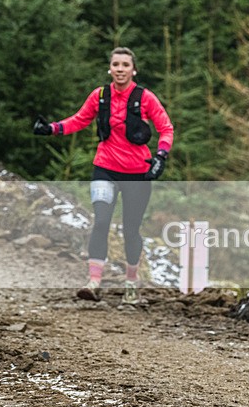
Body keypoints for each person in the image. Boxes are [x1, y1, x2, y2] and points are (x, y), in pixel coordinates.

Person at [33, 47, 173, 304]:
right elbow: (79, 120)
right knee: (101, 221)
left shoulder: (146, 98)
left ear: (134, 70)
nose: (120, 69)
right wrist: (52, 129)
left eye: (125, 65)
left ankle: (131, 283)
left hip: (137, 173)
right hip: (105, 169)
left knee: (131, 230)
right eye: (116, 64)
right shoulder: (99, 95)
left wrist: (161, 156)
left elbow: (166, 128)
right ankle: (94, 282)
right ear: (110, 68)